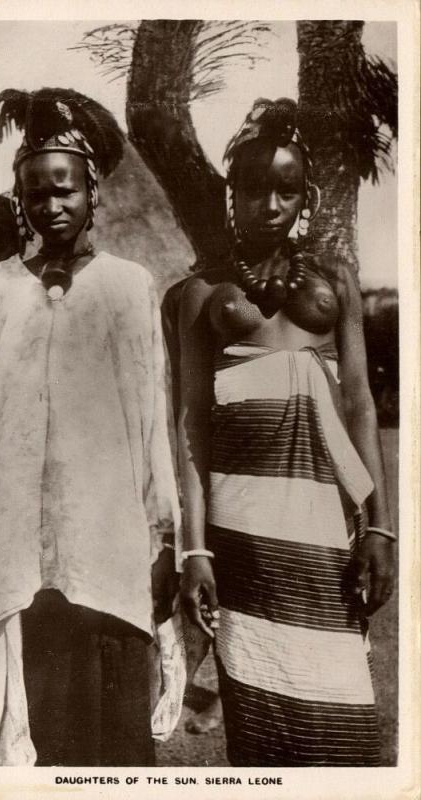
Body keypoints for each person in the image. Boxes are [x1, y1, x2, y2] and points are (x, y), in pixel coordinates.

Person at [0, 88, 180, 766]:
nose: (51, 206)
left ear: (91, 191)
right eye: (35, 194)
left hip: (109, 540)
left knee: (112, 718)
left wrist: (162, 536)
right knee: (42, 718)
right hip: (19, 552)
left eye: (64, 190)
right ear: (21, 200)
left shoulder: (128, 287)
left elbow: (150, 418)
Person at [178, 98, 395, 766]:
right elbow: (189, 425)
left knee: (339, 691)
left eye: (286, 189)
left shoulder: (334, 282)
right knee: (259, 696)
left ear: (305, 197)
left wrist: (380, 528)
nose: (270, 203)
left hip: (323, 519)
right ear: (231, 194)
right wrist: (195, 550)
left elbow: (358, 403)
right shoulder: (201, 293)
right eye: (253, 188)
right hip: (241, 525)